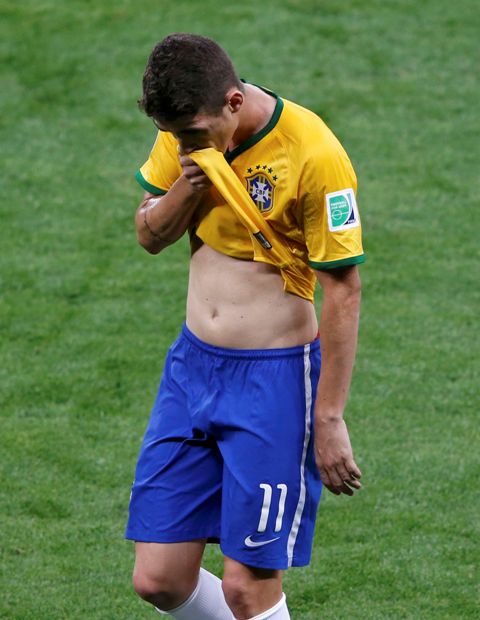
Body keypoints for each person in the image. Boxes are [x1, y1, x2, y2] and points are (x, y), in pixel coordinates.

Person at [126, 33, 365, 620]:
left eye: (194, 135)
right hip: (191, 370)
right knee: (158, 579)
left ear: (233, 102)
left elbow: (342, 287)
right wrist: (190, 178)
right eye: (174, 136)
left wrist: (329, 416)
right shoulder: (185, 132)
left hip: (273, 381)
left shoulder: (313, 151)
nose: (183, 144)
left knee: (247, 589)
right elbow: (150, 235)